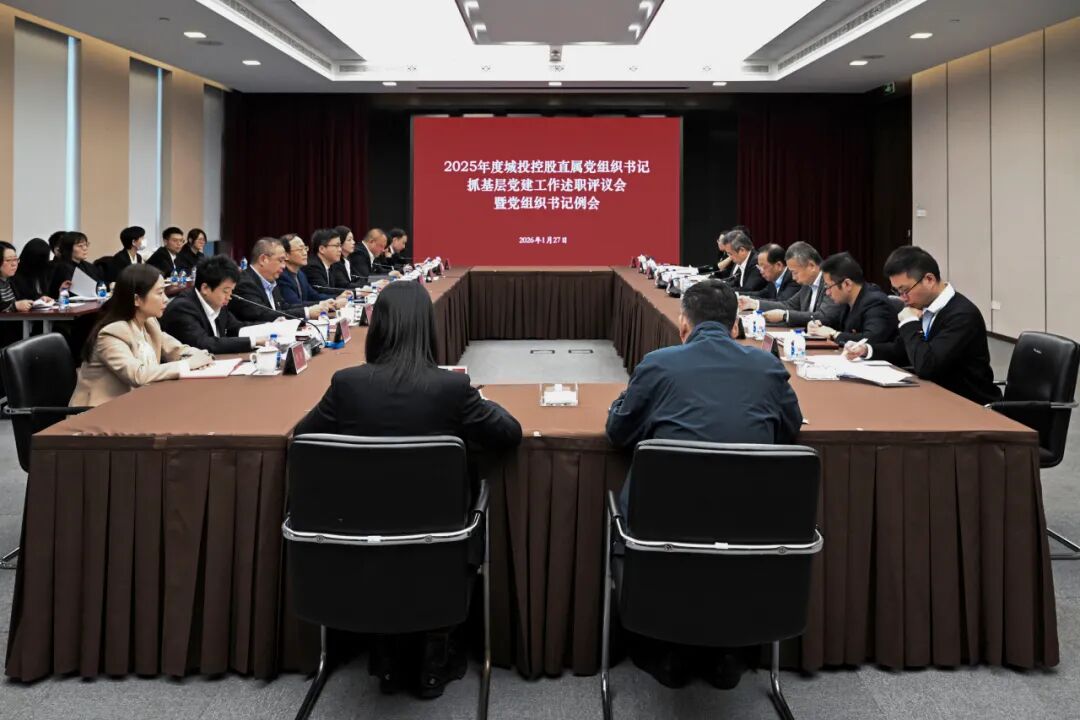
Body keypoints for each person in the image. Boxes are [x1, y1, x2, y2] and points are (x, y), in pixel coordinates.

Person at [296, 280, 522, 699]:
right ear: (426, 330)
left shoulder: (347, 385)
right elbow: (509, 434)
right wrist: (481, 401)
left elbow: (304, 440)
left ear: (378, 327)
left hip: (360, 529)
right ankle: (434, 658)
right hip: (441, 535)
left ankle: (385, 656)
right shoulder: (451, 388)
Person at [605, 279, 802, 691]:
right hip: (751, 525)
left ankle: (666, 650)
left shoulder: (658, 364)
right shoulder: (767, 367)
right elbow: (789, 428)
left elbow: (619, 432)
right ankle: (730, 653)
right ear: (735, 327)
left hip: (663, 526)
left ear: (683, 324)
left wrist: (620, 403)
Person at [844, 246, 1000, 405]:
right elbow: (902, 350)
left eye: (905, 290)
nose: (903, 298)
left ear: (929, 280)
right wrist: (867, 350)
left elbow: (927, 366)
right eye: (897, 291)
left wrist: (909, 322)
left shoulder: (962, 315)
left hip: (969, 404)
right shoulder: (924, 307)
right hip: (935, 396)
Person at [69, 264, 212, 407]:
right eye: (159, 293)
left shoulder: (149, 322)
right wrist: (187, 364)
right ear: (137, 299)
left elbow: (177, 350)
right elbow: (138, 375)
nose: (165, 299)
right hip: (99, 411)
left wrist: (200, 355)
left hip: (137, 403)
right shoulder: (111, 333)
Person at [160, 255, 267, 354]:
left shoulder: (217, 303)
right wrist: (254, 341)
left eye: (231, 291)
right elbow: (204, 343)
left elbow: (237, 327)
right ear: (205, 288)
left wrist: (270, 327)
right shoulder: (182, 308)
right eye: (225, 291)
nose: (229, 296)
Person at [231, 237, 332, 323]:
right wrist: (307, 312)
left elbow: (283, 307)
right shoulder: (245, 283)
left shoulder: (270, 280)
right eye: (280, 260)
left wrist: (318, 305)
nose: (284, 266)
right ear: (263, 259)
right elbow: (262, 314)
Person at [806, 252, 897, 345]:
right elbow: (834, 323)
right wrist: (817, 327)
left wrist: (833, 334)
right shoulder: (846, 301)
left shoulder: (876, 302)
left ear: (847, 284)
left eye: (829, 286)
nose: (827, 292)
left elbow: (870, 339)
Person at [739, 241, 835, 326]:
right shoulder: (807, 284)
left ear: (811, 266)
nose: (793, 277)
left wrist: (785, 315)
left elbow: (824, 316)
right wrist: (753, 303)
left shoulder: (831, 281)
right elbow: (789, 305)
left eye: (795, 272)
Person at [49, 231, 102, 298]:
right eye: (80, 246)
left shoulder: (88, 266)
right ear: (68, 248)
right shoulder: (62, 267)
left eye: (86, 245)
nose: (85, 248)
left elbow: (99, 284)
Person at [301, 229, 354, 294]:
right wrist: (355, 293)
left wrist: (358, 291)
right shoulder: (312, 267)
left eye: (340, 246)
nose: (340, 249)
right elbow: (324, 291)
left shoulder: (332, 265)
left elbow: (342, 285)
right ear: (322, 249)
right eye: (336, 246)